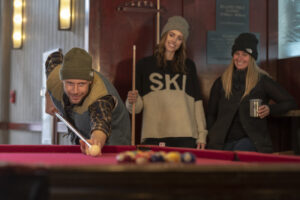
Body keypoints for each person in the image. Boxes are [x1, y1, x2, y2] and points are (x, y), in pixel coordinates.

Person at [206, 33, 298, 153]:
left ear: (252, 58)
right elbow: (211, 114)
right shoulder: (221, 82)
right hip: (221, 143)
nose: (240, 58)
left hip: (250, 141)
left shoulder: (262, 81)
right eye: (237, 54)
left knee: (238, 155)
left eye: (245, 55)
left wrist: (270, 109)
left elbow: (290, 103)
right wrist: (212, 135)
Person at [126, 16, 207, 149]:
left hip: (185, 136)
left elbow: (197, 103)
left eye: (179, 38)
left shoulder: (189, 66)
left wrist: (202, 134)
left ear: (182, 43)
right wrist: (131, 101)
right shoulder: (144, 65)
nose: (174, 40)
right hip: (154, 135)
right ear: (164, 35)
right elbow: (136, 109)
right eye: (172, 34)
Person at [45, 47, 131, 156]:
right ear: (61, 80)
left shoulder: (100, 98)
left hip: (113, 149)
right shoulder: (54, 79)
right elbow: (53, 57)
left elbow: (100, 125)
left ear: (90, 82)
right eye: (70, 83)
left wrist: (95, 142)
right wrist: (48, 97)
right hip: (82, 142)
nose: (75, 91)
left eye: (81, 84)